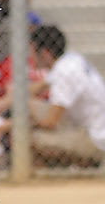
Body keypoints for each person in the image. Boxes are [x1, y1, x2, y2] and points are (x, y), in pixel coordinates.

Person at [27, 24, 105, 168]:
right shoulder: (70, 59)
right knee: (29, 105)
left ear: (45, 53)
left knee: (30, 138)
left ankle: (46, 178)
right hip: (86, 128)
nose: (30, 56)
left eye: (32, 51)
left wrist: (11, 126)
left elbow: (51, 122)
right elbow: (35, 88)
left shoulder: (64, 72)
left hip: (94, 139)